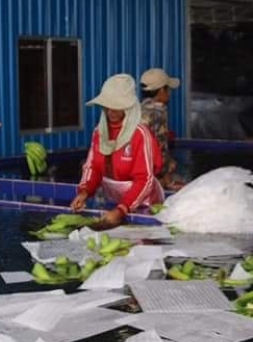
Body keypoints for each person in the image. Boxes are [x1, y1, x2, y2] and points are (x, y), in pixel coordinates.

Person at [70, 74, 164, 227]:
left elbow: (144, 179)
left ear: (128, 107)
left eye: (117, 106)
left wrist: (122, 210)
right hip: (115, 204)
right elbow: (92, 167)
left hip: (144, 205)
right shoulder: (99, 132)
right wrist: (84, 192)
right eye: (107, 105)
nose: (110, 111)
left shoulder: (140, 134)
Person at [140, 67, 184, 191]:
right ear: (161, 90)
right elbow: (160, 149)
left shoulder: (138, 110)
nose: (169, 93)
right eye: (168, 89)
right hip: (147, 176)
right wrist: (168, 179)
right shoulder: (158, 112)